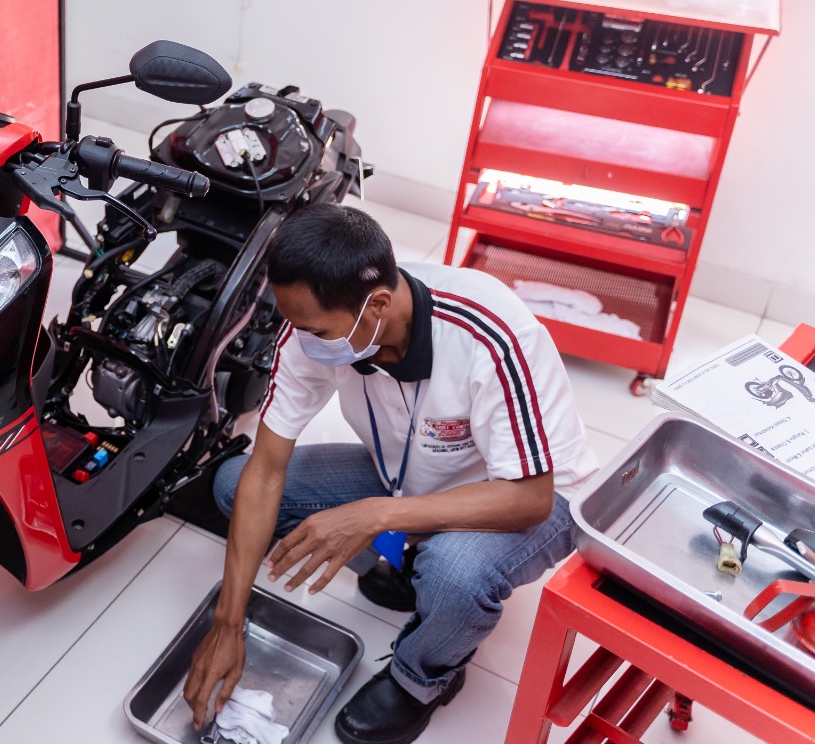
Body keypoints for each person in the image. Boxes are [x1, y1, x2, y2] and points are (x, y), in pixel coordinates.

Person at [183, 205, 598, 744]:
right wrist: (228, 622)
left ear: (378, 304)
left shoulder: (487, 332)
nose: (301, 341)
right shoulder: (315, 328)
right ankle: (405, 561)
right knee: (233, 483)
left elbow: (531, 500)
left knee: (453, 574)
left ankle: (421, 678)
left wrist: (375, 516)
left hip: (533, 491)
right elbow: (263, 473)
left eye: (315, 330)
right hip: (409, 473)